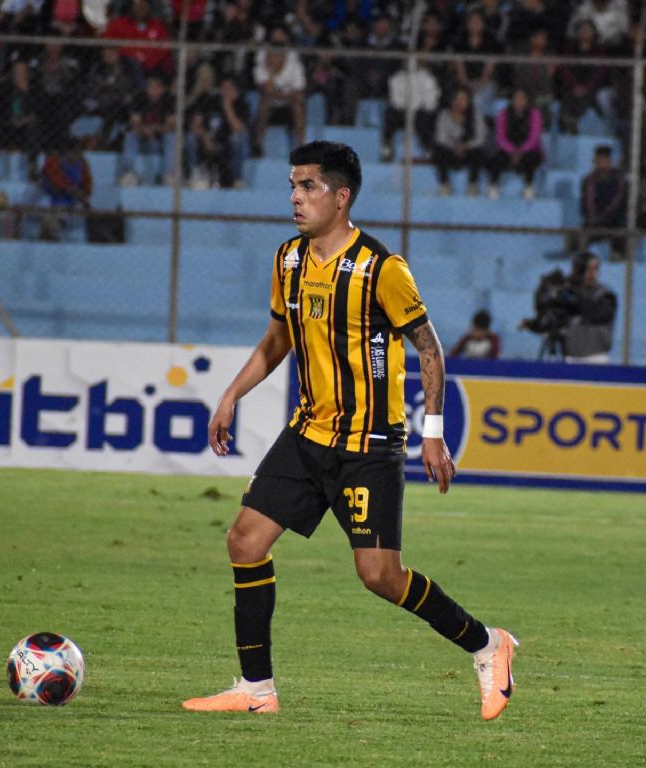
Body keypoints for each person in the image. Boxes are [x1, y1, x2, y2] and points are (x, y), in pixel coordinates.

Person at [181, 140, 518, 721]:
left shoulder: (382, 269)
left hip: (369, 447)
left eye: (308, 186)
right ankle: (256, 689)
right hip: (308, 435)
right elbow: (277, 340)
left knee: (380, 576)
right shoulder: (288, 260)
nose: (295, 196)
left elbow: (430, 347)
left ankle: (489, 645)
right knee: (244, 541)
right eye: (292, 185)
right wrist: (231, 395)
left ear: (341, 197)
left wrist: (432, 434)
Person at [251, 24, 306, 156]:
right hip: (271, 104)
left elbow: (298, 92)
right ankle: (258, 144)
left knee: (298, 104)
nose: (273, 57)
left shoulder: (294, 65)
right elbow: (266, 89)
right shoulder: (261, 66)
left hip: (289, 103)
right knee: (264, 101)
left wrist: (280, 95)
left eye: (276, 55)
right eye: (271, 55)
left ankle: (301, 146)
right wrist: (271, 72)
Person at [487, 87, 544, 200]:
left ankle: (528, 186)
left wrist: (521, 151)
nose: (519, 101)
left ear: (527, 100)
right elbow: (500, 137)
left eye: (522, 98)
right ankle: (493, 186)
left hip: (529, 149)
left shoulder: (534, 114)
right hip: (508, 149)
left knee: (532, 158)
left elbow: (534, 137)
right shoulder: (503, 114)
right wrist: (512, 151)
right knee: (495, 158)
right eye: (516, 98)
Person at [381, 57, 441, 162]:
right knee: (389, 113)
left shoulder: (427, 78)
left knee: (427, 118)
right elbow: (395, 98)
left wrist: (421, 107)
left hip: (420, 113)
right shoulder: (397, 78)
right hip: (402, 112)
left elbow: (432, 97)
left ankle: (428, 149)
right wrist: (407, 108)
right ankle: (387, 146)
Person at [430, 86, 488, 196]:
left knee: (479, 152)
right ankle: (444, 184)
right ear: (452, 100)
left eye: (464, 99)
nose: (461, 102)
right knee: (438, 151)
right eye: (459, 99)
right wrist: (455, 146)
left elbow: (481, 138)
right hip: (451, 151)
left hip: (468, 151)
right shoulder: (444, 115)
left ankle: (472, 184)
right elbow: (441, 137)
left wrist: (466, 145)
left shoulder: (475, 116)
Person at [563, 251, 617, 363]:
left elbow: (591, 313)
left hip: (596, 358)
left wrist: (572, 293)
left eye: (595, 269)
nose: (592, 274)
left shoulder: (605, 295)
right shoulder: (569, 293)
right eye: (588, 269)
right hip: (571, 357)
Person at [575, 144, 627, 260]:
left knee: (620, 224)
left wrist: (605, 216)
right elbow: (587, 203)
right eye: (599, 160)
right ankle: (584, 256)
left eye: (605, 160)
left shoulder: (619, 179)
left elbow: (618, 202)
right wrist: (593, 217)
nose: (602, 163)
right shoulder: (589, 180)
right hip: (595, 219)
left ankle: (618, 254)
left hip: (614, 219)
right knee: (586, 228)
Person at [38, 138, 92, 240]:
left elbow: (87, 185)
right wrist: (71, 189)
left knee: (60, 217)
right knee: (51, 219)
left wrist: (83, 195)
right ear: (68, 152)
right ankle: (51, 232)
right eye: (76, 152)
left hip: (70, 202)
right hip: (49, 197)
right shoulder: (54, 161)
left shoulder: (82, 164)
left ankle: (53, 230)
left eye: (80, 152)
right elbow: (55, 180)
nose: (79, 155)